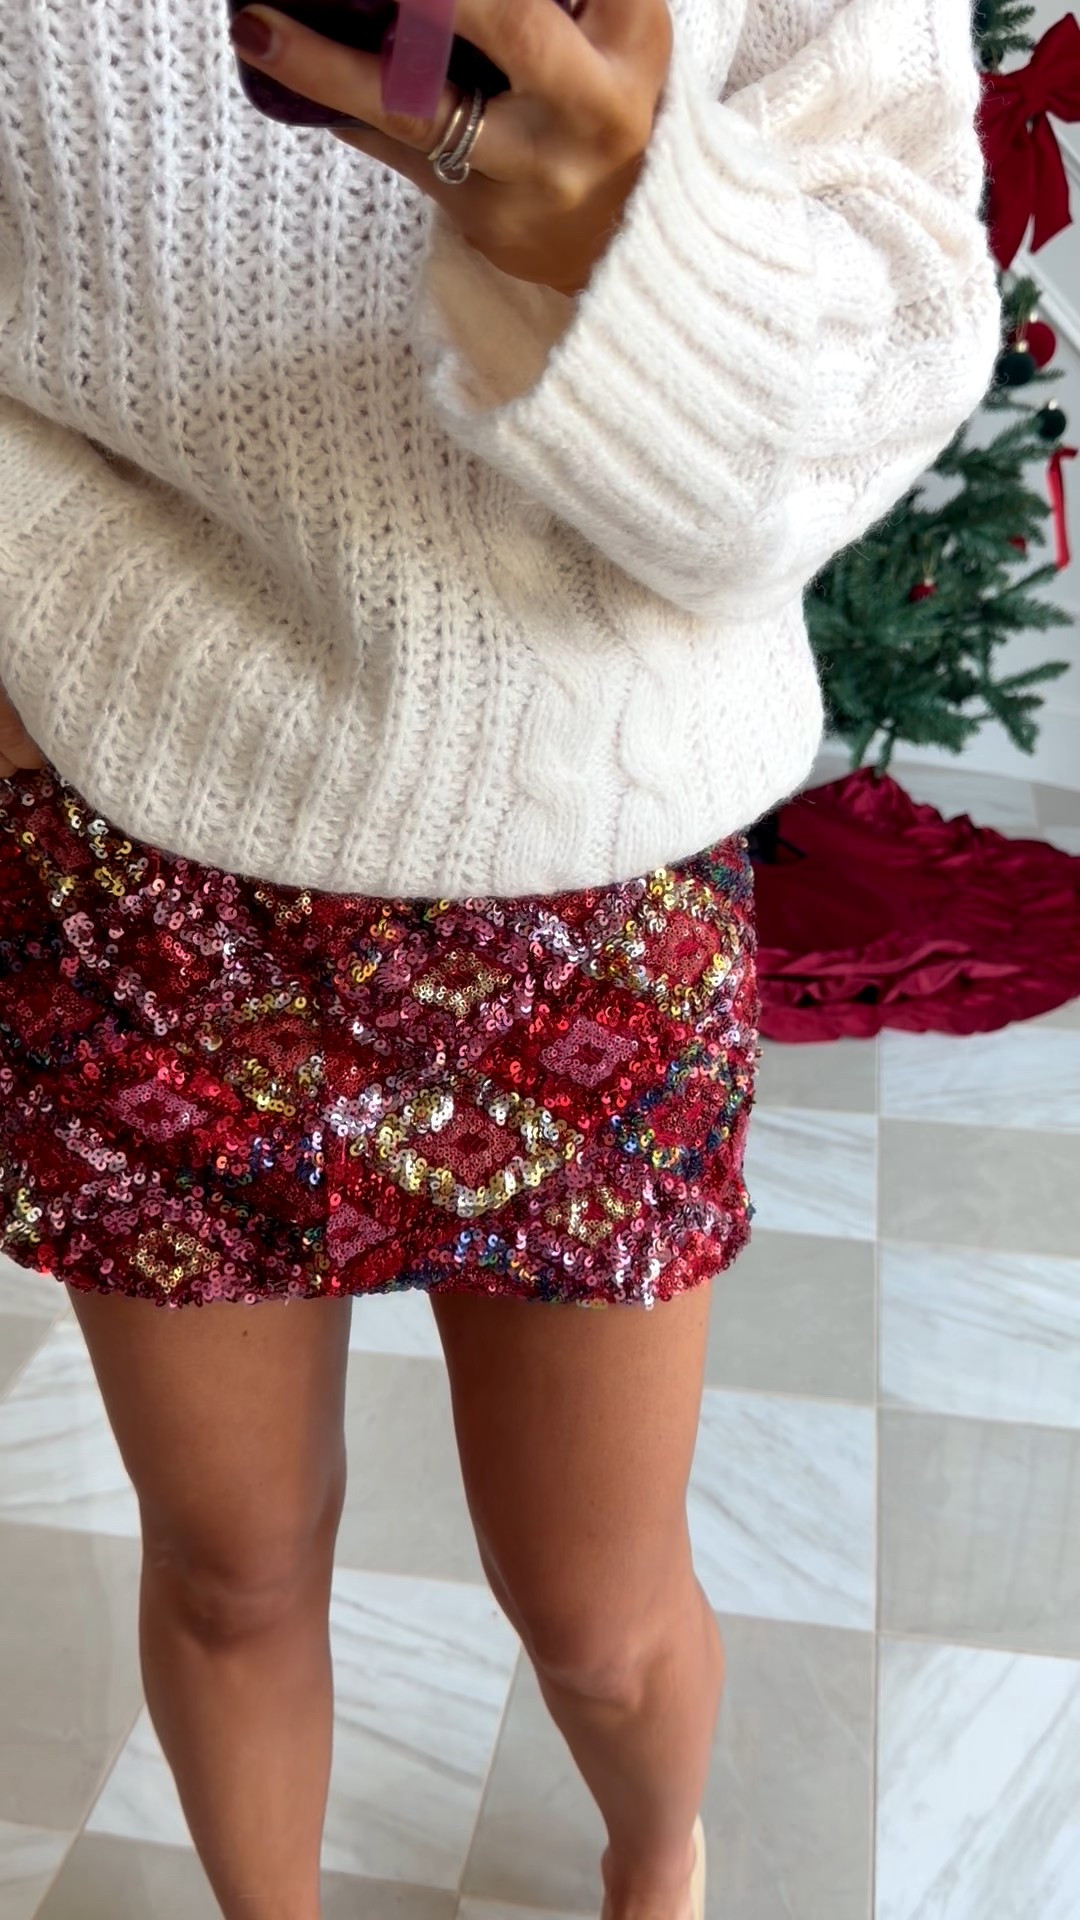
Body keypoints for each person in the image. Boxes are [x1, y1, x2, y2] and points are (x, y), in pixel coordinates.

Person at [0, 1, 1000, 1916]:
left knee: (598, 1617)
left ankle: (655, 1863)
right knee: (227, 1575)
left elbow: (901, 315)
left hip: (592, 848)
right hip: (139, 833)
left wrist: (636, 244)